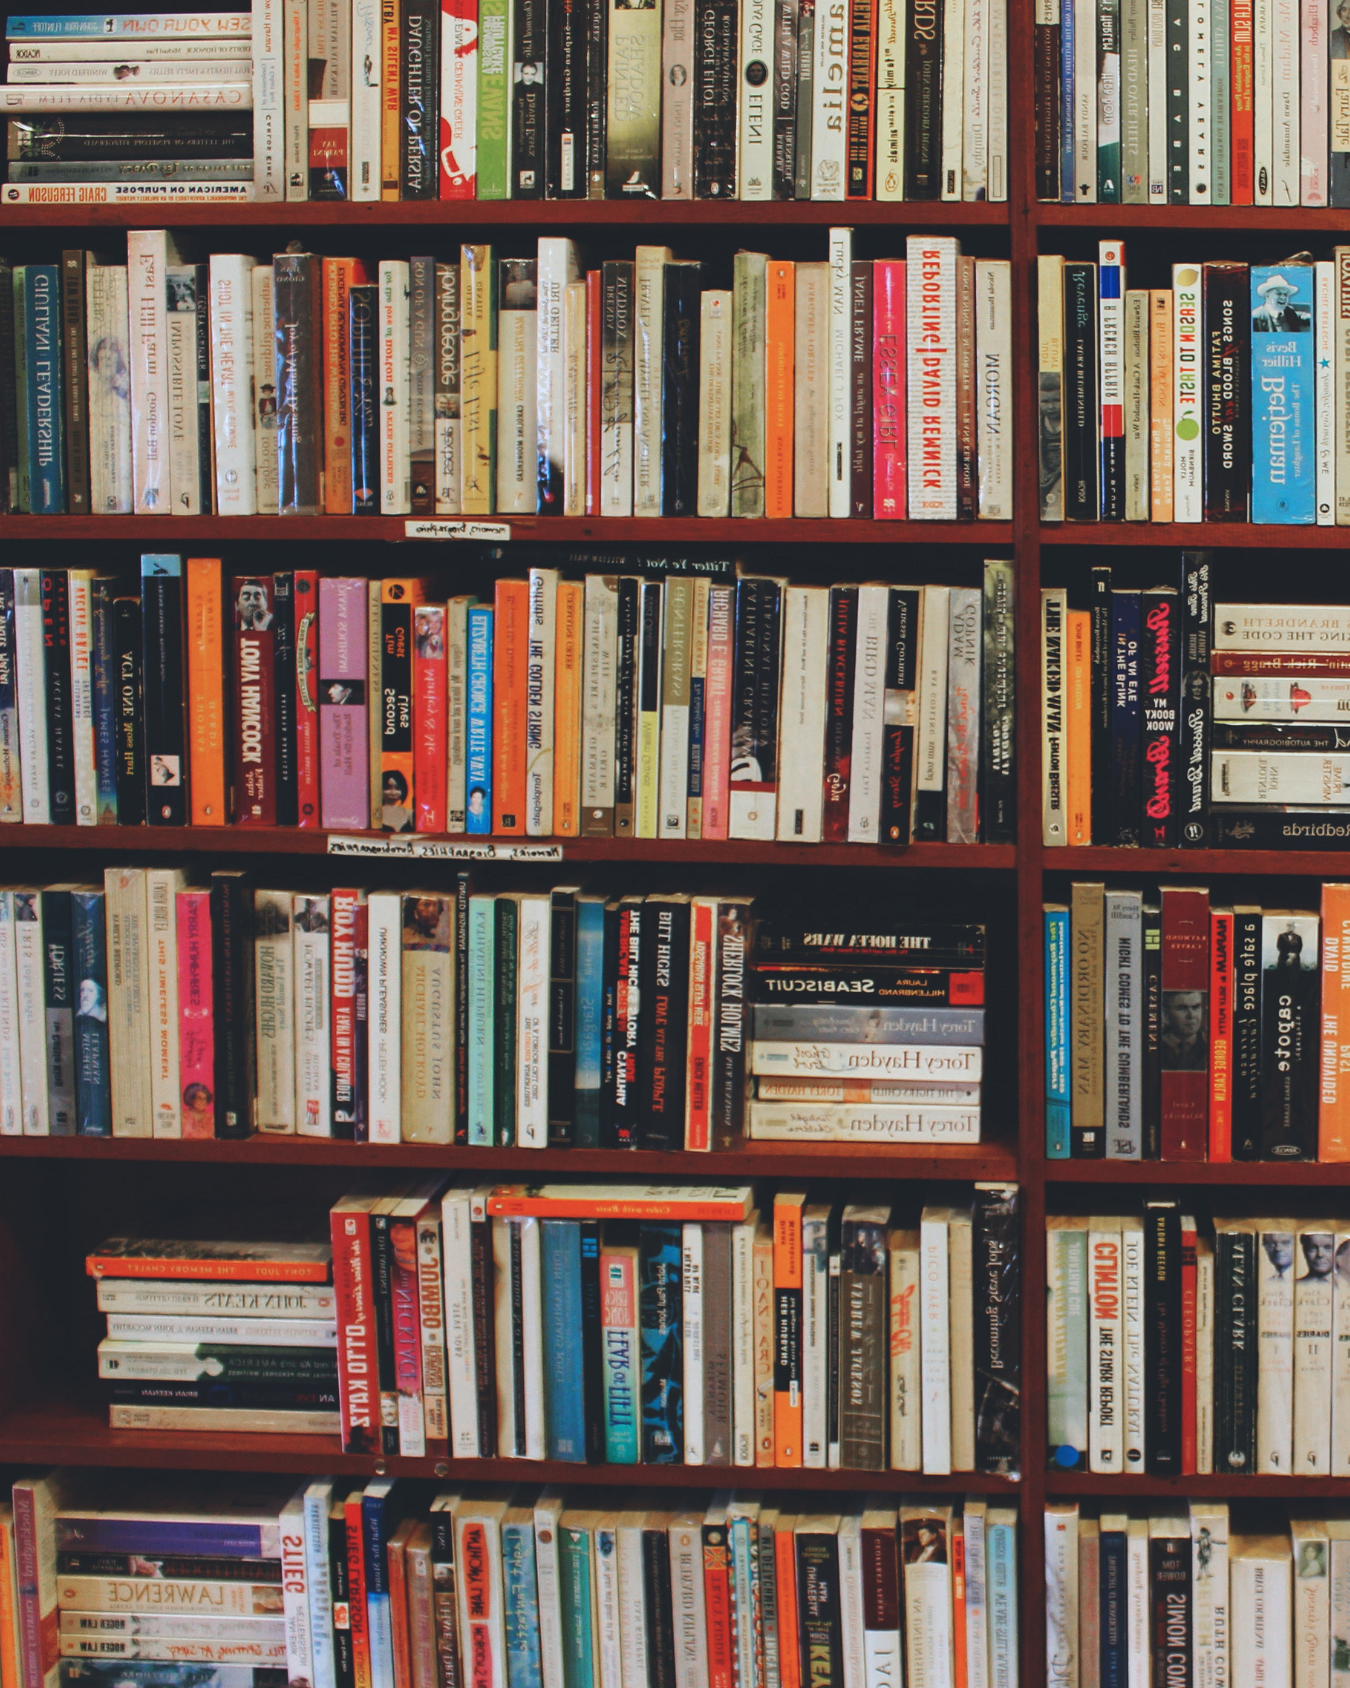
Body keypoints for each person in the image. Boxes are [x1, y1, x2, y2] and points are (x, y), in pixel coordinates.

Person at [1161, 989, 1208, 1070]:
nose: (1191, 1015)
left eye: (1196, 1007)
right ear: (1166, 1015)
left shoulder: (1209, 1047)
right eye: (1182, 1008)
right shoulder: (1156, 1047)